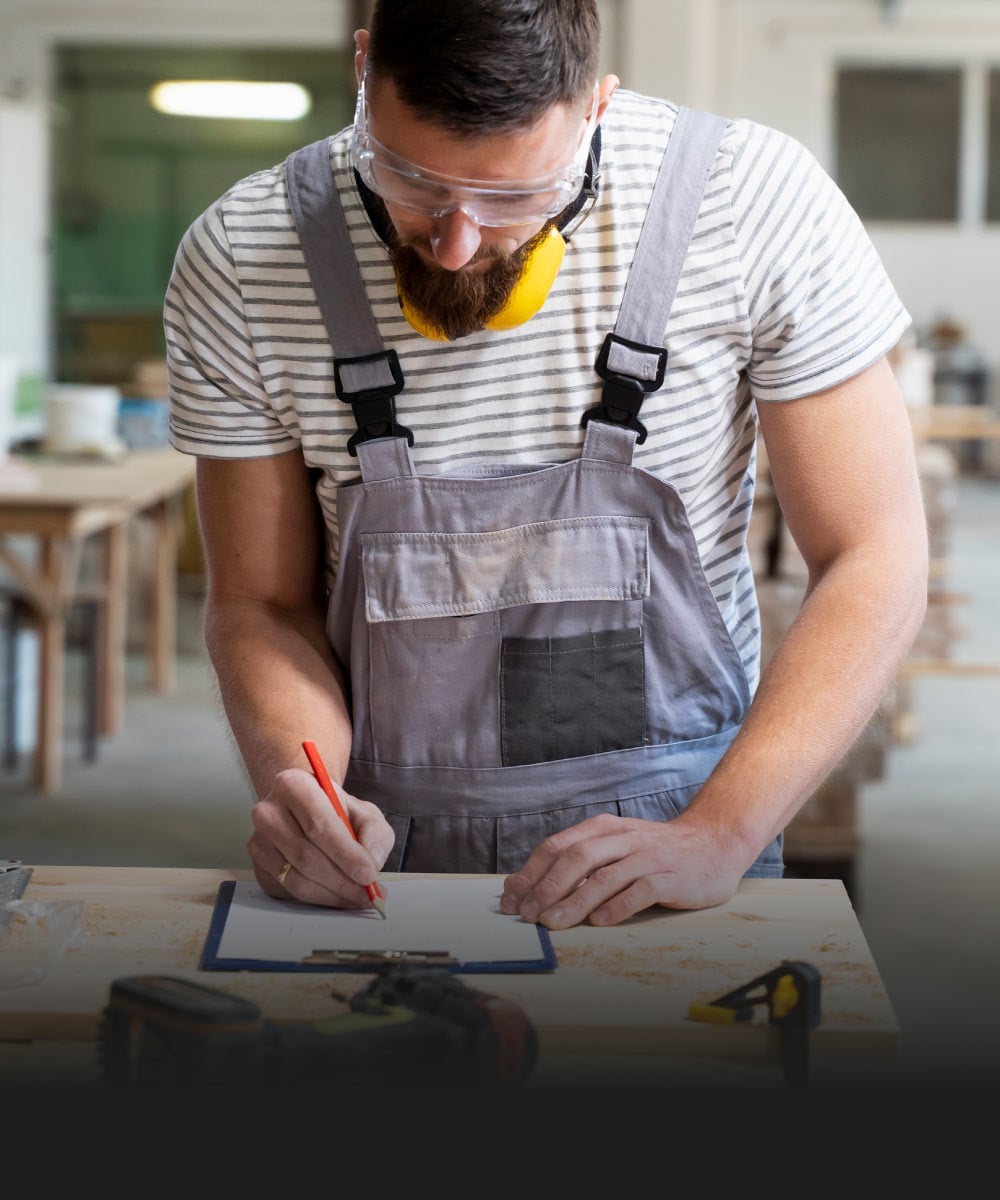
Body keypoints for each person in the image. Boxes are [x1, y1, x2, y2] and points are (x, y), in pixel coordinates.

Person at [164, 0, 928, 931]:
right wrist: (310, 795)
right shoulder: (242, 256)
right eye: (411, 181)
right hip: (388, 872)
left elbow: (874, 554)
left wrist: (720, 832)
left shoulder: (746, 201)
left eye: (512, 197)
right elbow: (262, 603)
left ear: (597, 107)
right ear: (363, 70)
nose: (455, 244)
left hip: (684, 848)